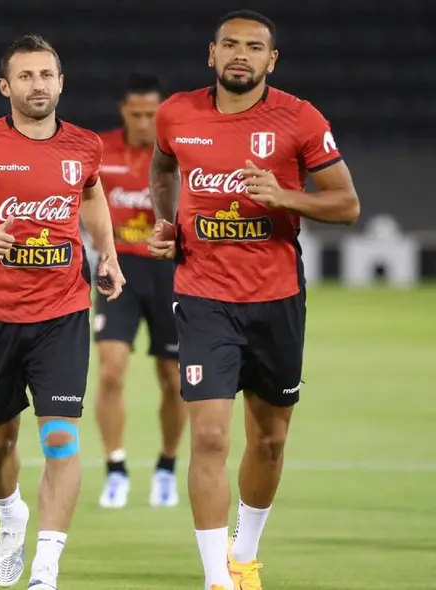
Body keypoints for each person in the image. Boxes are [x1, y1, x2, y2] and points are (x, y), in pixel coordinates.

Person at [147, 10, 360, 590]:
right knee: (210, 436)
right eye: (230, 44)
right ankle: (217, 580)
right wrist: (167, 222)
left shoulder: (300, 118)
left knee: (269, 439)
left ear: (272, 60)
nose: (241, 54)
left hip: (276, 298)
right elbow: (162, 167)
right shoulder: (175, 114)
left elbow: (346, 205)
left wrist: (285, 197)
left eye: (255, 47)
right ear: (211, 54)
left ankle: (243, 554)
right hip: (203, 297)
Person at [0, 34, 126, 590]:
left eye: (46, 75)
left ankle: (45, 570)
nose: (38, 85)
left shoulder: (84, 146)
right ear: (5, 86)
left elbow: (91, 195)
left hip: (63, 314)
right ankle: (11, 516)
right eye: (26, 76)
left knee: (61, 438)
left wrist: (106, 252)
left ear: (61, 82)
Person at [93, 72, 184, 510]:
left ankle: (166, 466)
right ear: (123, 111)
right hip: (119, 270)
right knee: (111, 372)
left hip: (169, 273)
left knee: (173, 378)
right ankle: (116, 468)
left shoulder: (178, 154)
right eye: (137, 114)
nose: (145, 122)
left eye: (153, 114)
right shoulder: (100, 151)